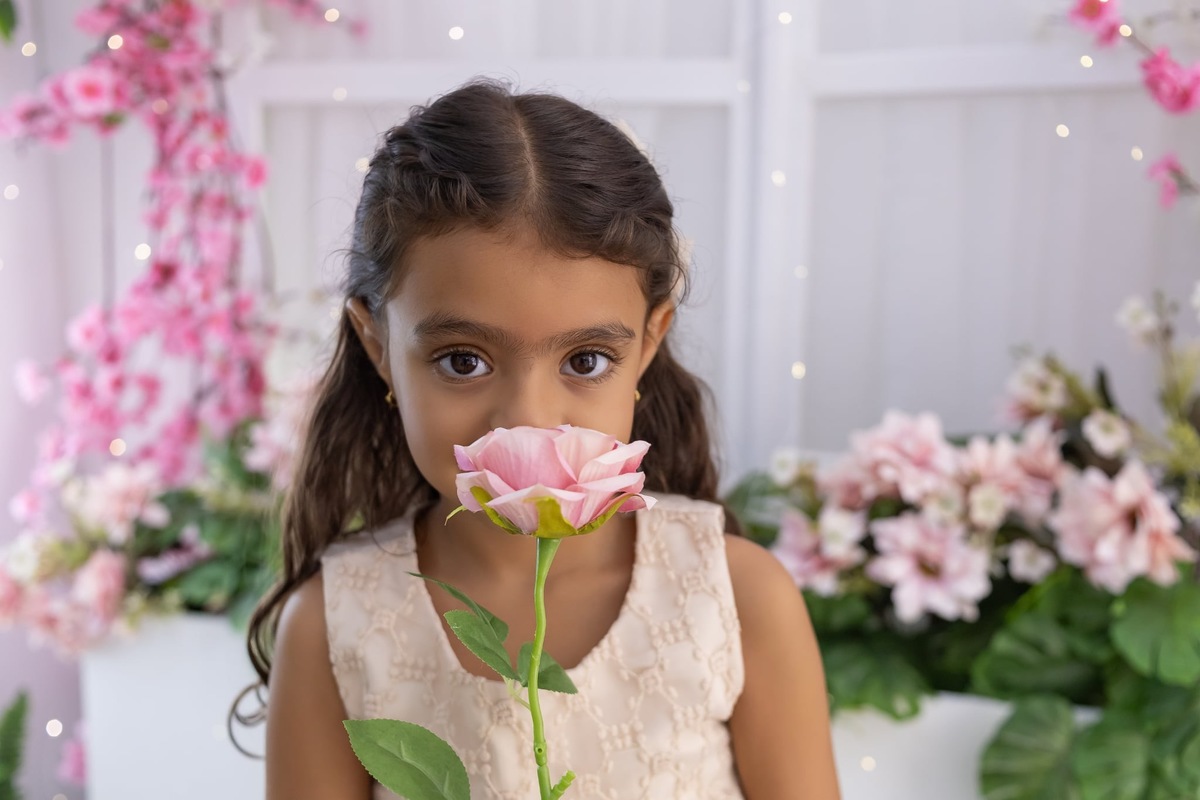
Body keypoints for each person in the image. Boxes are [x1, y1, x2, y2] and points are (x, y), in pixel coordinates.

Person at [247, 79, 840, 799]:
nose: (527, 418)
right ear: (378, 347)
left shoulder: (738, 598)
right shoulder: (334, 624)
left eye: (585, 361)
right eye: (462, 360)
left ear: (648, 345)